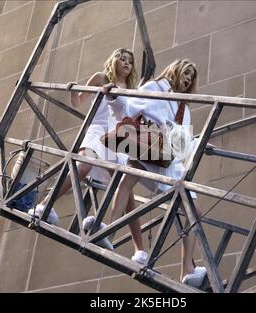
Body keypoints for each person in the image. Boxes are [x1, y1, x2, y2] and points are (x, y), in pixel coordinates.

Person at [103, 59, 207, 288]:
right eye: (186, 72)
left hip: (168, 159)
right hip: (147, 142)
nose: (188, 78)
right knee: (127, 180)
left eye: (192, 76)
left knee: (194, 212)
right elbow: (129, 107)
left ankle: (187, 269)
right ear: (175, 69)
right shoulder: (155, 87)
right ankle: (107, 232)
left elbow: (183, 142)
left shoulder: (185, 107)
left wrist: (198, 144)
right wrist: (114, 97)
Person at [28, 49, 139, 249]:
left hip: (117, 139)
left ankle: (128, 243)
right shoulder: (101, 78)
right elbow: (79, 100)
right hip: (98, 131)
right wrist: (73, 90)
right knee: (84, 166)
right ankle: (44, 205)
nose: (126, 63)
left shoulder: (132, 90)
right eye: (122, 59)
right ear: (113, 61)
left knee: (125, 185)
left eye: (130, 61)